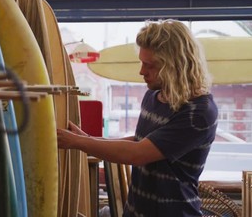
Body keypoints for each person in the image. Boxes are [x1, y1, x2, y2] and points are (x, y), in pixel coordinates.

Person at [57, 19, 218, 217]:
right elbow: (140, 141)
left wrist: (79, 143)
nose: (142, 72)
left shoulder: (199, 112)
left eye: (150, 65)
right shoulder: (154, 95)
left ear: (175, 65)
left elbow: (138, 154)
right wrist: (87, 139)